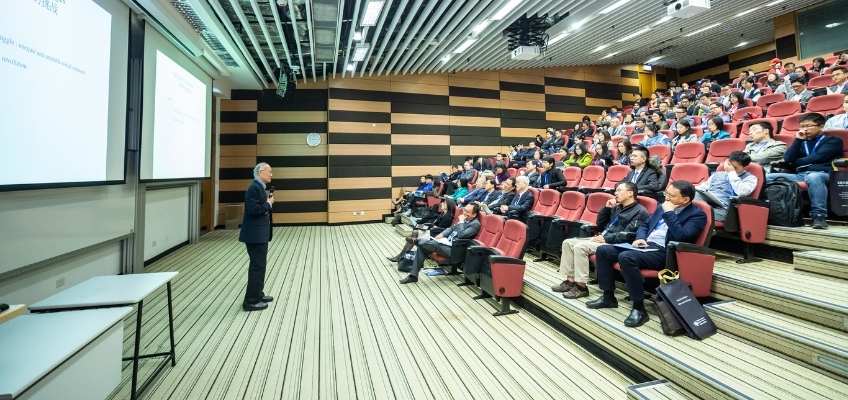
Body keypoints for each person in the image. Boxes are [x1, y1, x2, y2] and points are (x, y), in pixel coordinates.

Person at [587, 181, 707, 328]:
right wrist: (640, 238)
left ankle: (639, 308)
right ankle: (608, 297)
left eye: (671, 196)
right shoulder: (662, 206)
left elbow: (681, 237)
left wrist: (669, 213)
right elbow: (645, 225)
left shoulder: (697, 215)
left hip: (665, 252)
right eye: (666, 194)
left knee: (626, 257)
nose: (666, 198)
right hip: (645, 246)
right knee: (603, 250)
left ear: (685, 199)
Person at [551, 182, 649, 299]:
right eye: (615, 191)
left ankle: (581, 287)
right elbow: (600, 224)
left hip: (614, 243)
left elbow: (629, 235)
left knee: (580, 247)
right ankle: (570, 281)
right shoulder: (617, 207)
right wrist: (606, 209)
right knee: (568, 242)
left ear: (630, 193)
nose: (615, 193)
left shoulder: (640, 211)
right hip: (602, 238)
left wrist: (606, 238)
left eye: (619, 191)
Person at [767, 113, 844, 229]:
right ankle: (774, 213)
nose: (804, 129)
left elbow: (818, 157)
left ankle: (819, 216)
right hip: (801, 175)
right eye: (802, 126)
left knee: (813, 177)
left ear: (821, 126)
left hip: (824, 174)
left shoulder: (833, 140)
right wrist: (797, 140)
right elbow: (788, 158)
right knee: (767, 177)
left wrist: (796, 162)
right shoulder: (801, 142)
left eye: (808, 126)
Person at [399, 204, 481, 284]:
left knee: (426, 244)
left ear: (474, 214)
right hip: (447, 244)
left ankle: (418, 241)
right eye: (464, 210)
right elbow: (450, 228)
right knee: (422, 247)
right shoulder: (464, 220)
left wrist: (462, 222)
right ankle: (413, 276)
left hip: (455, 250)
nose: (464, 213)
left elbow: (461, 235)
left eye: (467, 211)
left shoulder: (475, 224)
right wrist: (441, 235)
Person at [239, 163, 275, 311]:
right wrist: (268, 204)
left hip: (259, 234)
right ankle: (251, 301)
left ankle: (258, 294)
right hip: (255, 236)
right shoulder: (254, 188)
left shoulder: (259, 187)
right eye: (269, 172)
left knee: (260, 266)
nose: (271, 175)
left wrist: (267, 202)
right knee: (257, 267)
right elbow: (254, 210)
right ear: (261, 172)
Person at [695, 151, 758, 222]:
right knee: (691, 194)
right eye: (729, 164)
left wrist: (732, 173)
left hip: (725, 210)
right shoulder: (718, 174)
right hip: (708, 203)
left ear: (744, 167)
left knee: (692, 212)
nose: (730, 168)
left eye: (735, 167)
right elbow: (703, 188)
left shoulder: (750, 178)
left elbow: (742, 192)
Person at [387, 201, 455, 262]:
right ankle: (402, 254)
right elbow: (434, 224)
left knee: (415, 233)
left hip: (436, 235)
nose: (442, 204)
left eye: (444, 203)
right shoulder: (442, 214)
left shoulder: (448, 216)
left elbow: (443, 230)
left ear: (448, 206)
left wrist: (432, 227)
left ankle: (401, 255)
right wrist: (429, 226)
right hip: (431, 230)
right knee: (416, 229)